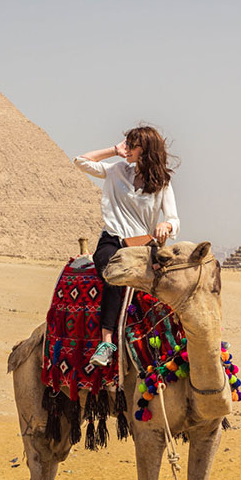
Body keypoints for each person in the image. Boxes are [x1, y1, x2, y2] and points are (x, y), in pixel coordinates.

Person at [73, 126, 180, 366]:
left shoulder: (163, 182)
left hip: (143, 246)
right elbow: (80, 161)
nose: (127, 149)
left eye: (132, 145)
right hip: (113, 241)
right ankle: (107, 343)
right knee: (115, 274)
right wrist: (113, 150)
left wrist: (166, 226)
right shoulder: (116, 170)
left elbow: (174, 219)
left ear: (147, 150)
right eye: (127, 144)